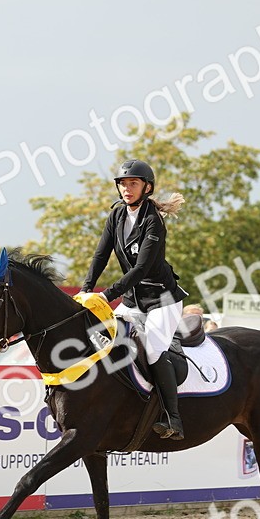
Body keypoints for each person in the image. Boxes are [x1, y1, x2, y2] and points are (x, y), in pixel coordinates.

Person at [83, 159, 188, 440]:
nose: (127, 189)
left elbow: (141, 269)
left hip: (162, 299)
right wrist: (86, 288)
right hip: (132, 299)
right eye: (123, 184)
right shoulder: (116, 216)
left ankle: (173, 418)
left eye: (133, 184)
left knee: (152, 350)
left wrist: (106, 295)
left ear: (147, 187)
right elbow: (100, 255)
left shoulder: (153, 220)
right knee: (102, 338)